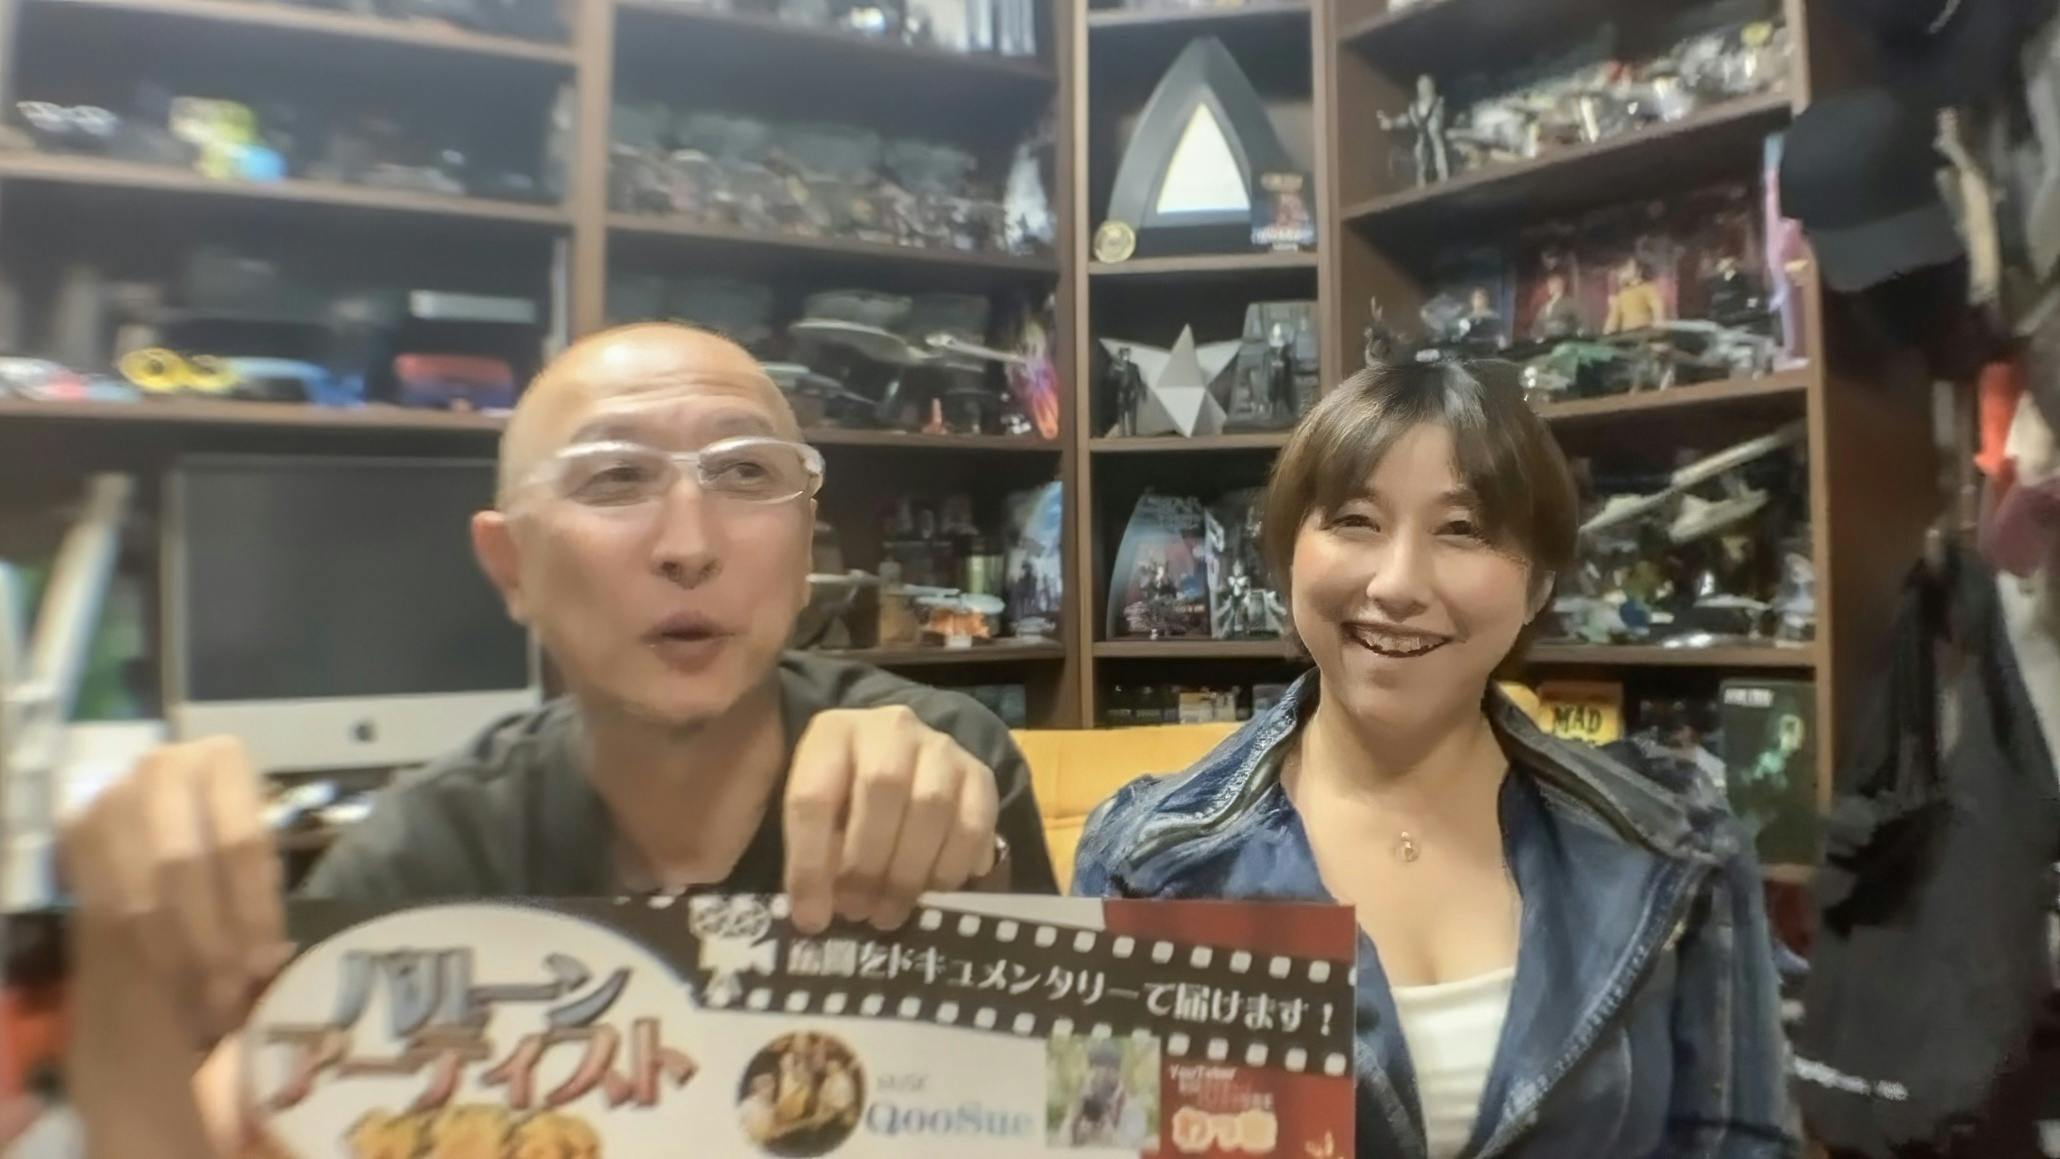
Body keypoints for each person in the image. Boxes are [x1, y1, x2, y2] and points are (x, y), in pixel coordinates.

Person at [56, 322, 1060, 1157]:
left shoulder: (940, 759)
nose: (689, 545)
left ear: (806, 547)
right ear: (511, 566)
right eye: (615, 477)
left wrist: (964, 879)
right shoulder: (430, 854)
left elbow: (1065, 1107)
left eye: (745, 471)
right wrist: (122, 976)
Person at [1073, 361, 1790, 1157]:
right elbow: (1093, 1135)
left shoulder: (1673, 839)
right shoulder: (1146, 856)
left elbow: (1741, 1142)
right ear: (1287, 555)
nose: (1399, 584)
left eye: (1461, 530)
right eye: (1356, 520)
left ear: (1539, 583)